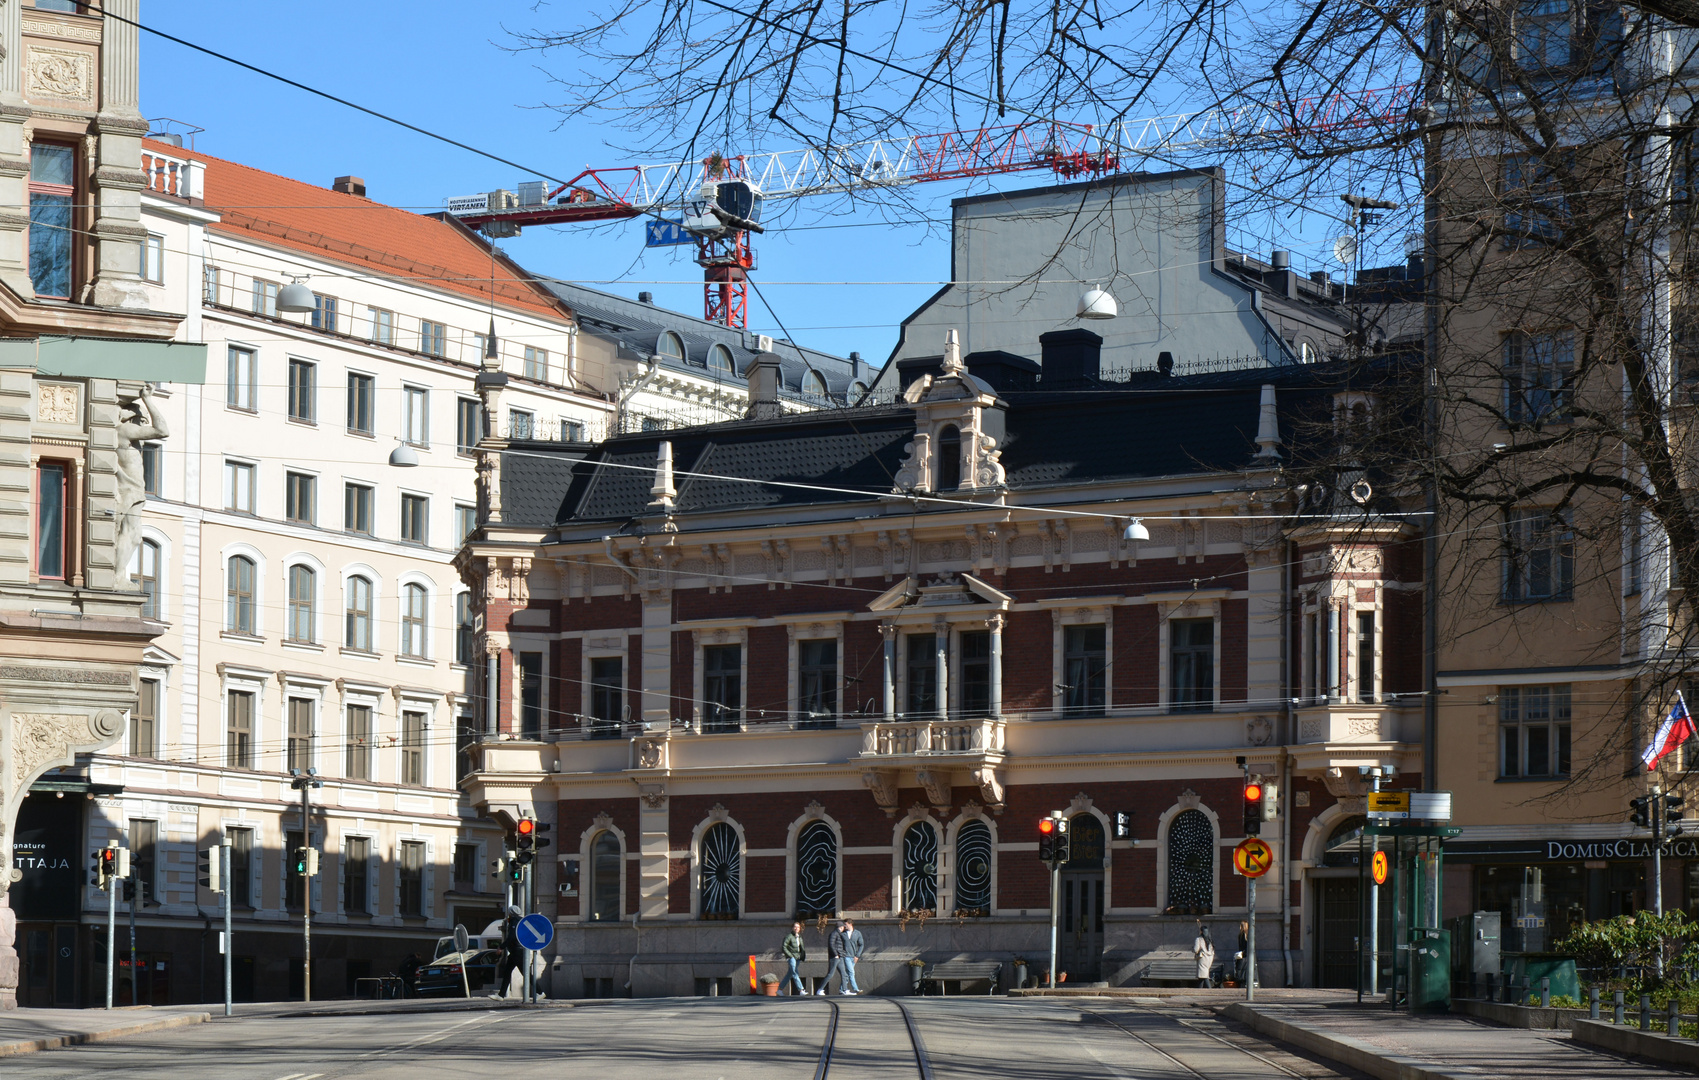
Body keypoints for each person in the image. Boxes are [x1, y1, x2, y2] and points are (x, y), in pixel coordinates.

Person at [821, 920, 849, 995]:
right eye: (843, 927)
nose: (844, 928)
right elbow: (831, 944)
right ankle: (820, 989)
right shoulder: (834, 934)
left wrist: (842, 954)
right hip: (835, 957)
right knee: (830, 974)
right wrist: (835, 954)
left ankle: (845, 989)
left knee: (844, 974)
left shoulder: (839, 934)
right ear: (840, 927)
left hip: (840, 956)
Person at [841, 919, 865, 996]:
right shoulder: (843, 934)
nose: (844, 926)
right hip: (846, 956)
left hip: (854, 957)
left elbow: (861, 944)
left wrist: (857, 955)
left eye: (846, 924)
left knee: (848, 973)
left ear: (850, 924)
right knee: (851, 972)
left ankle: (841, 988)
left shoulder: (857, 933)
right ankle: (856, 989)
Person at [782, 921, 808, 995]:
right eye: (795, 927)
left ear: (800, 929)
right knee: (795, 972)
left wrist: (802, 956)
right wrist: (789, 955)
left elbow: (801, 948)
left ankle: (780, 989)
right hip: (791, 958)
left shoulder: (799, 937)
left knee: (789, 974)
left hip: (797, 957)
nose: (796, 928)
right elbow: (784, 947)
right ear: (792, 928)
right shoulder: (789, 936)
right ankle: (801, 990)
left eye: (798, 927)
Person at [1193, 922, 1215, 989]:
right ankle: (1199, 990)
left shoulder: (1198, 939)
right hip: (1209, 959)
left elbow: (1196, 949)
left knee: (1204, 976)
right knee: (1202, 976)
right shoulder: (1210, 940)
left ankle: (1210, 990)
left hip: (1202, 958)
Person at [1235, 920, 1250, 986]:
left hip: (1243, 955)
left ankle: (1242, 984)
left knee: (1241, 970)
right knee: (1244, 971)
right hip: (1245, 955)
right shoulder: (1246, 934)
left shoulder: (1243, 935)